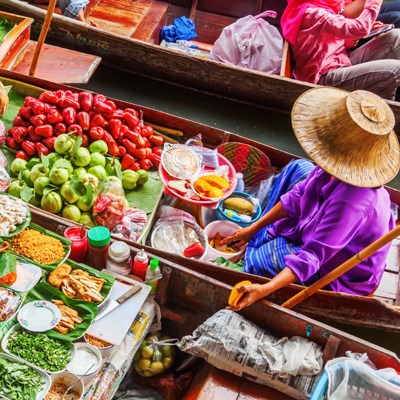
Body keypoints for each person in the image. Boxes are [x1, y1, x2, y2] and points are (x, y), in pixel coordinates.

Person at [221, 87, 400, 311]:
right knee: (299, 167)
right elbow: (297, 197)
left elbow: (313, 255)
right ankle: (263, 235)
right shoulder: (334, 167)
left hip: (337, 268)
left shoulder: (352, 202)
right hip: (330, 225)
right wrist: (253, 228)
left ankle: (265, 249)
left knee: (259, 262)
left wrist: (264, 289)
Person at [280, 0, 400, 100]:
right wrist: (374, 2)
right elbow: (359, 28)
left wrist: (363, 34)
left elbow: (338, 41)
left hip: (342, 61)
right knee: (396, 70)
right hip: (324, 79)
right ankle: (385, 114)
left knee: (396, 37)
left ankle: (382, 97)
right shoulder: (312, 13)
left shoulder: (321, 6)